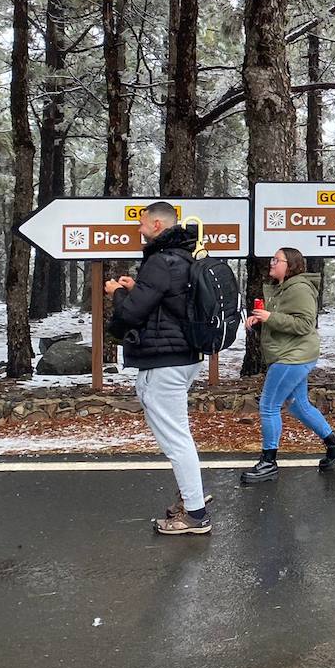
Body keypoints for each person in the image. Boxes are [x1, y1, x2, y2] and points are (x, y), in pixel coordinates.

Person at [105, 201, 209, 536]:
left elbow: (131, 315)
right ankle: (190, 498)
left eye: (144, 224)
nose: (139, 230)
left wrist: (119, 294)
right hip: (183, 356)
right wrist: (137, 289)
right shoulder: (183, 257)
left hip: (164, 362)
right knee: (178, 436)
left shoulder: (159, 262)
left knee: (177, 440)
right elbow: (168, 303)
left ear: (159, 225)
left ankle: (195, 515)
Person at [240, 247, 335, 484]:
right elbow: (286, 319)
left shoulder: (300, 288)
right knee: (298, 405)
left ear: (290, 265)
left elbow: (304, 324)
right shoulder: (285, 288)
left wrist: (270, 318)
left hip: (293, 356)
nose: (271, 263)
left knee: (269, 406)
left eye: (276, 260)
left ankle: (268, 462)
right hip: (291, 353)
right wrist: (263, 318)